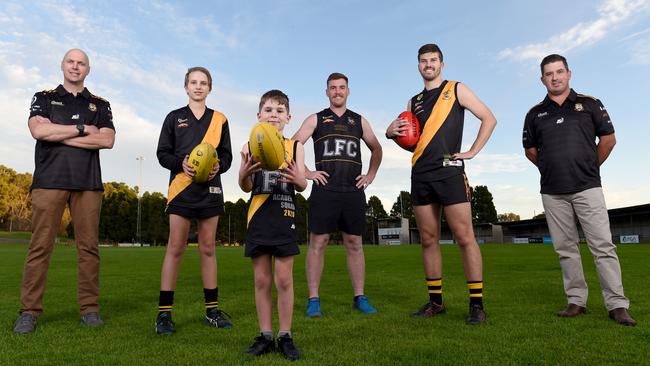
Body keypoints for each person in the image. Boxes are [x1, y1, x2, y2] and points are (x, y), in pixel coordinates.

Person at [386, 43, 496, 325]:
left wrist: (472, 150)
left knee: (464, 236)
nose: (428, 64)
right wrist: (391, 134)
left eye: (433, 60)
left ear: (442, 64)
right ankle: (436, 302)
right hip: (421, 173)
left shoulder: (457, 88)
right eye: (423, 61)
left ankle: (476, 305)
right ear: (419, 65)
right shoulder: (413, 102)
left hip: (449, 170)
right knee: (428, 239)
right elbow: (415, 144)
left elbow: (489, 118)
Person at [523, 54, 636, 326]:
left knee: (603, 247)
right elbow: (530, 151)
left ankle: (617, 305)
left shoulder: (590, 104)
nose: (555, 77)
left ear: (569, 73)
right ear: (542, 79)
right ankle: (576, 301)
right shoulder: (534, 113)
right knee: (566, 249)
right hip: (552, 192)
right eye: (549, 73)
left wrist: (589, 166)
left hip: (588, 188)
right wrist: (552, 168)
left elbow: (609, 139)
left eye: (559, 71)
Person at [14, 49, 116, 335]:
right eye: (71, 61)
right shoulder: (44, 97)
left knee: (89, 249)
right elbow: (39, 132)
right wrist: (83, 130)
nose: (75, 66)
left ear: (88, 69)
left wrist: (60, 133)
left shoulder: (100, 104)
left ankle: (90, 310)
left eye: (81, 63)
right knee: (40, 247)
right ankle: (29, 312)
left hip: (88, 183)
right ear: (62, 65)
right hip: (49, 180)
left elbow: (107, 140)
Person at [292, 72, 383, 317]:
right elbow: (292, 144)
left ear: (348, 91)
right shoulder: (317, 119)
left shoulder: (359, 121)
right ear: (327, 92)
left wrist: (370, 175)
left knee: (354, 243)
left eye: (341, 87)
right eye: (333, 88)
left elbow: (376, 147)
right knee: (318, 243)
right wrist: (307, 172)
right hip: (325, 191)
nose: (337, 92)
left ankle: (359, 297)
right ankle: (313, 299)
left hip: (352, 191)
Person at [154, 66, 233, 335]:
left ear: (210, 87)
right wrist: (181, 164)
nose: (198, 87)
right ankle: (164, 315)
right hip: (181, 189)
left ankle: (212, 311)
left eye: (203, 83)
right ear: (185, 87)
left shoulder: (220, 119)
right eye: (193, 82)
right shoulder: (174, 118)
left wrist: (218, 166)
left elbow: (227, 156)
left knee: (208, 248)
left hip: (210, 189)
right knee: (175, 247)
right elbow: (162, 154)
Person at [239, 90, 306, 360]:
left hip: (284, 215)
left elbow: (302, 185)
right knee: (261, 280)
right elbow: (244, 187)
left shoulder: (296, 146)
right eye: (268, 110)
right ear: (259, 115)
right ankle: (265, 335)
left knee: (283, 279)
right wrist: (243, 174)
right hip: (258, 215)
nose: (273, 115)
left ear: (288, 117)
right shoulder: (249, 145)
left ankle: (286, 335)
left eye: (279, 111)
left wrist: (296, 177)